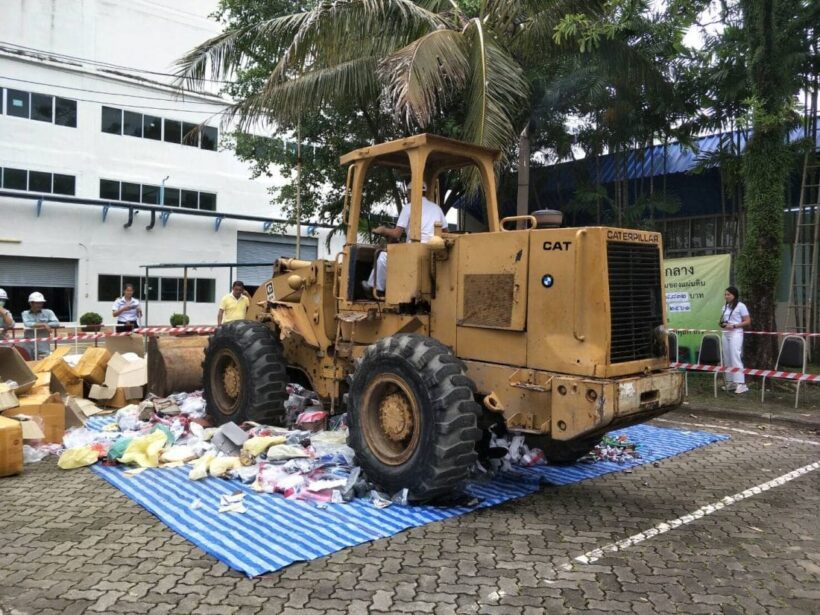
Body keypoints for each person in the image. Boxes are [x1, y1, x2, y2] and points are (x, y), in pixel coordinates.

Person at [363, 182, 448, 294]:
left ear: (412, 192)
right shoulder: (437, 208)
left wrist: (383, 230)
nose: (407, 196)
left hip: (413, 251)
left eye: (407, 193)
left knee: (384, 256)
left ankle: (375, 288)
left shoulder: (408, 208)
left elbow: (397, 233)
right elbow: (446, 232)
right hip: (434, 251)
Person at [719, 286, 751, 394]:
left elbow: (747, 321)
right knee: (727, 357)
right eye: (725, 294)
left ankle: (741, 384)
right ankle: (731, 382)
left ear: (734, 295)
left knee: (735, 356)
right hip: (725, 333)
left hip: (736, 333)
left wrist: (734, 326)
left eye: (729, 294)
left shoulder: (741, 306)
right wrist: (723, 324)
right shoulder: (725, 307)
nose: (726, 296)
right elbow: (723, 321)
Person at [21, 291, 60, 358]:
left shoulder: (48, 312)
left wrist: (47, 324)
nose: (40, 305)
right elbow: (27, 323)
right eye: (37, 303)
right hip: (29, 343)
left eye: (41, 303)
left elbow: (56, 323)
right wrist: (44, 324)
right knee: (29, 361)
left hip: (43, 344)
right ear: (30, 303)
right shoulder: (25, 313)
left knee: (44, 362)